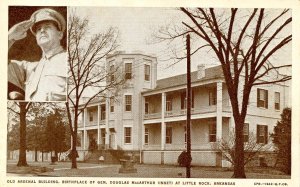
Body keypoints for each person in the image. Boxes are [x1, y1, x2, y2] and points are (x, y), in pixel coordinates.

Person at [8, 8, 67, 101]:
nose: (42, 30)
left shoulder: (70, 61)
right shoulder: (29, 69)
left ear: (60, 34)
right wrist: (10, 37)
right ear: (36, 38)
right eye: (39, 29)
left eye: (47, 26)